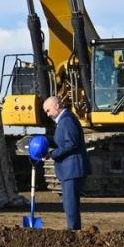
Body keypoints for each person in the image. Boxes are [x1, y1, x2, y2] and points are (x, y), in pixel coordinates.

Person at [43, 96, 91, 230]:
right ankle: (74, 230)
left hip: (72, 169)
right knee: (69, 204)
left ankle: (74, 232)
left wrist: (52, 154)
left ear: (56, 106)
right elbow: (62, 142)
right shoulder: (64, 120)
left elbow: (71, 144)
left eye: (48, 110)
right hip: (69, 169)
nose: (48, 114)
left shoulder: (67, 120)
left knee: (70, 204)